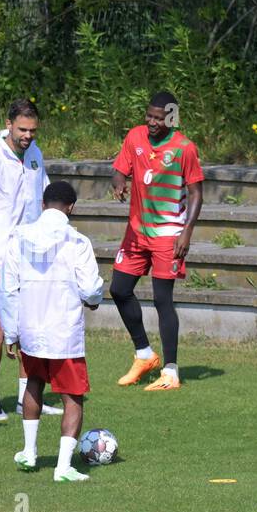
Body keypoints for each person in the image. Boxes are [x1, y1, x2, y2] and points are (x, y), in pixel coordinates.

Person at [0, 181, 104, 482]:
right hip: (65, 331)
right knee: (73, 396)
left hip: (30, 329)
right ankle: (63, 467)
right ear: (71, 207)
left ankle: (29, 453)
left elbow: (7, 289)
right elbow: (90, 287)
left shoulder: (19, 237)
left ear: (43, 204)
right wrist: (93, 300)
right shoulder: (77, 241)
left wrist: (11, 332)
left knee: (33, 383)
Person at [0, 97, 60, 421]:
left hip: (31, 256)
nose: (28, 136)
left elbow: (45, 197)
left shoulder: (35, 155)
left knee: (30, 326)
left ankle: (26, 398)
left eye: (33, 130)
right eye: (22, 129)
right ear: (8, 125)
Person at [109, 90, 204, 390]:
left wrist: (186, 231)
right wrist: (119, 182)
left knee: (163, 300)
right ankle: (144, 354)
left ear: (171, 117)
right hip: (136, 232)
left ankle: (171, 372)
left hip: (168, 235)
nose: (151, 122)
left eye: (158, 118)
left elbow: (197, 193)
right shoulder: (135, 137)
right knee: (119, 289)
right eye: (148, 116)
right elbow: (118, 171)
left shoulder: (184, 148)